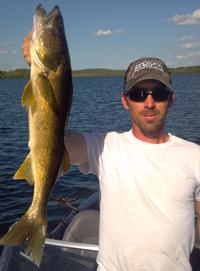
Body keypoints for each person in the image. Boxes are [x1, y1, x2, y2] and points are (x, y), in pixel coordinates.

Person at [22, 32, 200, 271]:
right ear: (125, 100)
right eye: (138, 94)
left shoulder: (195, 156)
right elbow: (50, 142)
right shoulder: (105, 146)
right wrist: (39, 75)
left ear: (171, 99)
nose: (149, 103)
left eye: (159, 93)